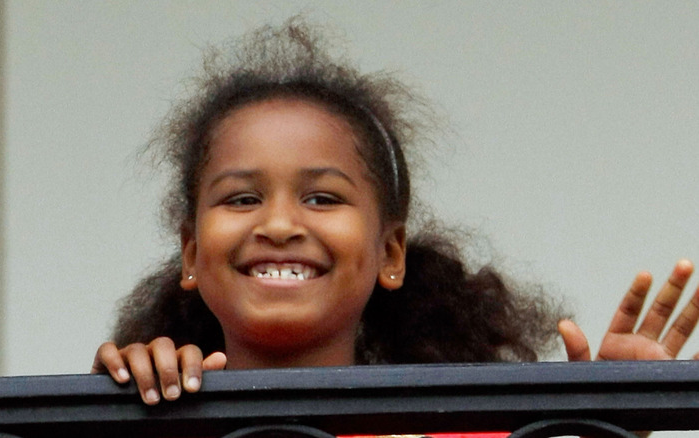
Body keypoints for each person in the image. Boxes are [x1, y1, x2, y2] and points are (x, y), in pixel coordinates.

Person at [92, 18, 699, 420]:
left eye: (323, 198)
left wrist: (614, 424)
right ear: (191, 254)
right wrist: (106, 414)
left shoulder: (464, 437)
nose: (278, 224)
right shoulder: (137, 416)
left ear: (392, 254)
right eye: (242, 199)